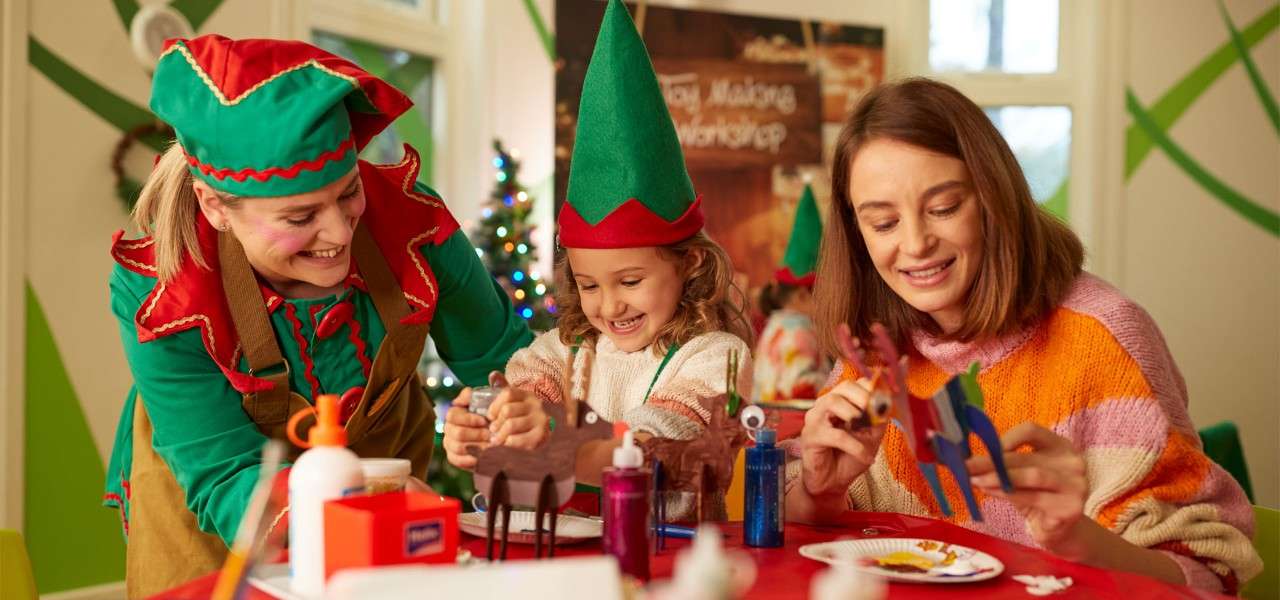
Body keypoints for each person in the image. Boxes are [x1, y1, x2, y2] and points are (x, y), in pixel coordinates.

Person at [784, 77, 1261, 593]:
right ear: (857, 236)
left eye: (944, 208)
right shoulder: (875, 351)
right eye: (883, 223)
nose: (916, 244)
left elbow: (1211, 579)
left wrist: (1077, 540)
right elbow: (803, 528)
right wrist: (819, 491)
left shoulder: (1104, 337)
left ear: (994, 199)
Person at [103, 35, 533, 596]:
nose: (337, 233)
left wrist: (521, 409)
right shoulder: (162, 292)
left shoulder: (414, 224)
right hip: (222, 519)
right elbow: (225, 477)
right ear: (215, 206)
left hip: (385, 501)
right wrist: (362, 512)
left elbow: (510, 363)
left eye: (348, 193)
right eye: (300, 215)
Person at [440, 0, 751, 518]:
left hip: (674, 569)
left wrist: (556, 443)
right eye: (588, 285)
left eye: (630, 280)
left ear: (689, 262)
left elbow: (664, 451)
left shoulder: (715, 358)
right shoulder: (558, 353)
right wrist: (489, 431)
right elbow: (525, 409)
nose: (608, 306)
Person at [752, 183, 831, 403]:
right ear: (802, 295)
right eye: (826, 294)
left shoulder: (776, 325)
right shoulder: (801, 333)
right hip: (792, 423)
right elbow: (802, 387)